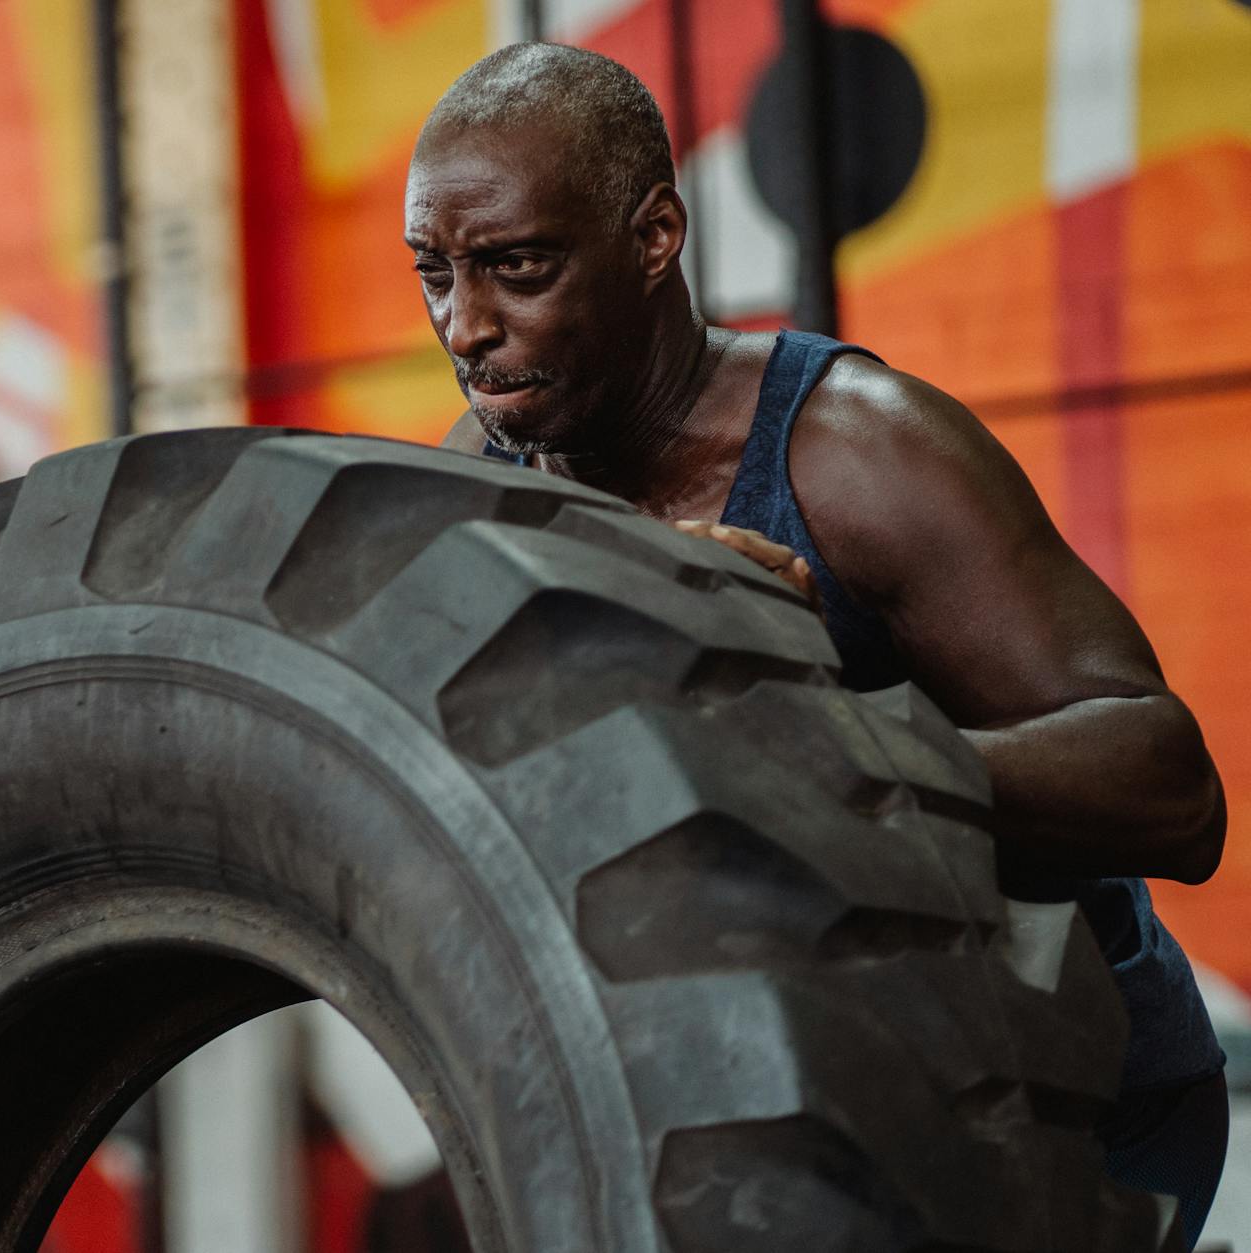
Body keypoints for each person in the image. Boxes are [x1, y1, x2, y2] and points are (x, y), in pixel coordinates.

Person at [411, 42, 1230, 1245]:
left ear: (653, 237)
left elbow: (1173, 789)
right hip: (760, 1114)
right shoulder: (476, 486)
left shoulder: (856, 455)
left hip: (1061, 1117)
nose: (465, 324)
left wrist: (809, 725)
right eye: (433, 272)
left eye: (515, 268)